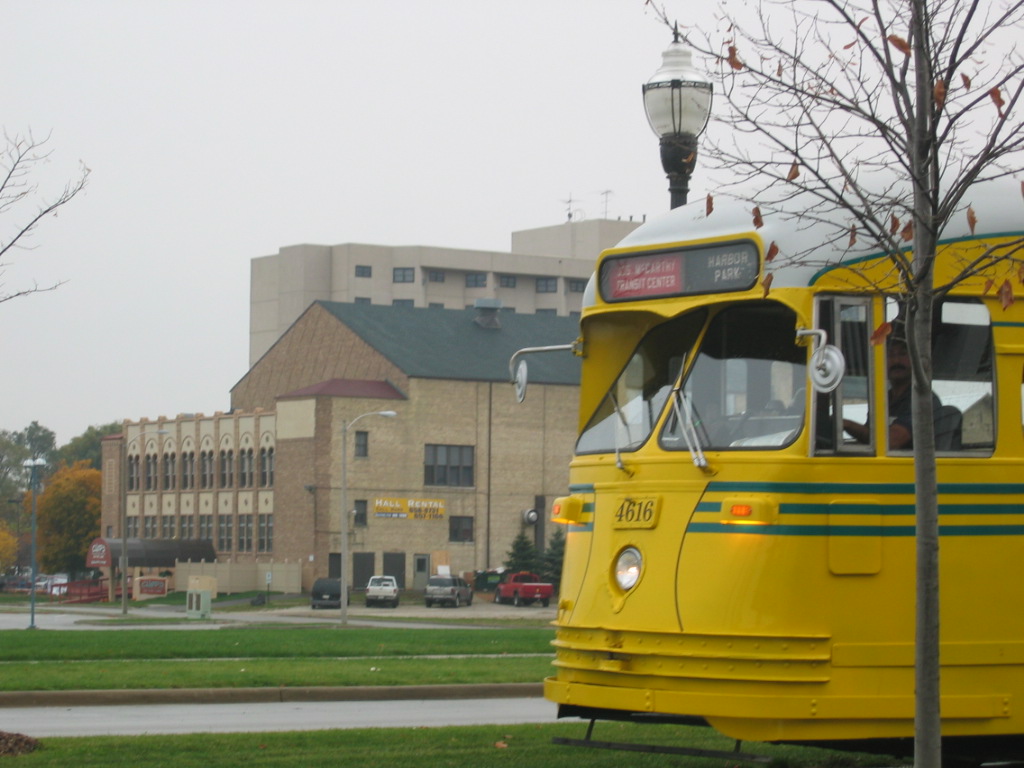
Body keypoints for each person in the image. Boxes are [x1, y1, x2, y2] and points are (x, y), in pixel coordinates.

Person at [843, 336, 938, 449]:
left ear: (916, 361)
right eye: (890, 355)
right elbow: (869, 439)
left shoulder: (923, 399)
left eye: (903, 354)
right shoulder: (883, 398)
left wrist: (846, 424)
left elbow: (892, 441)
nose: (896, 361)